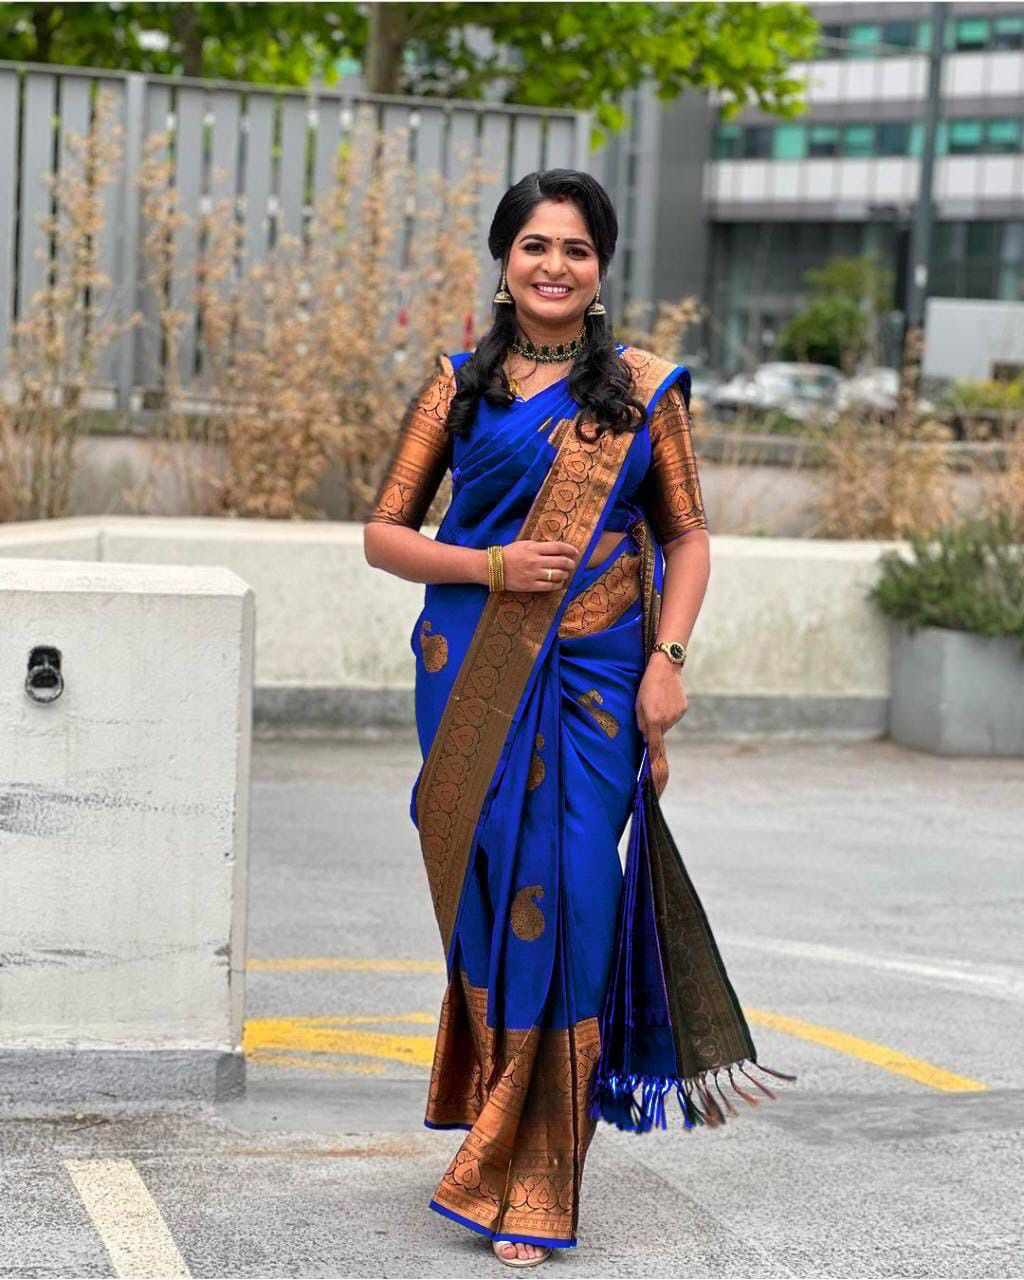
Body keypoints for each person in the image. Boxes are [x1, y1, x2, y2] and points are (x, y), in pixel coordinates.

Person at [363, 169, 792, 1268]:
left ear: (601, 270)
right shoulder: (454, 386)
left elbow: (687, 538)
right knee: (488, 896)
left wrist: (669, 661)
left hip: (599, 680)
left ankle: (543, 1173)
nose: (554, 265)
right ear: (504, 260)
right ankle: (496, 1129)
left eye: (577, 249)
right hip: (471, 669)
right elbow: (384, 534)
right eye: (535, 245)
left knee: (574, 897)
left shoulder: (643, 391)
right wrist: (492, 565)